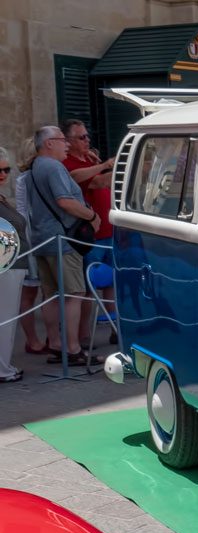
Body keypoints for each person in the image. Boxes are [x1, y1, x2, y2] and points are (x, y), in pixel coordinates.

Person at [25, 125, 102, 366]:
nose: (66, 144)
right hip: (63, 239)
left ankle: (56, 344)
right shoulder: (54, 167)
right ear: (48, 143)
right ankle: (73, 348)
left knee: (50, 295)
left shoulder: (34, 167)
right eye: (62, 140)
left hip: (42, 239)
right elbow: (64, 201)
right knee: (74, 294)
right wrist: (91, 216)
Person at [62, 119, 115, 345]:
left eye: (87, 136)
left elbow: (104, 182)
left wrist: (114, 166)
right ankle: (83, 334)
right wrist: (104, 165)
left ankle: (113, 326)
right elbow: (88, 182)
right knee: (86, 288)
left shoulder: (89, 159)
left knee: (111, 281)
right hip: (90, 234)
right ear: (68, 141)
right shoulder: (67, 163)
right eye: (81, 137)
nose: (87, 140)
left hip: (109, 229)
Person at [0, 147, 30, 383]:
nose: (3, 174)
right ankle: (3, 369)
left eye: (6, 169)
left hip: (12, 264)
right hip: (5, 266)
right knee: (5, 320)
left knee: (7, 319)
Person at [14, 138, 46, 355]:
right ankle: (33, 340)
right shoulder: (25, 179)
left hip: (41, 237)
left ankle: (45, 339)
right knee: (29, 292)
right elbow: (23, 212)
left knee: (47, 291)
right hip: (32, 238)